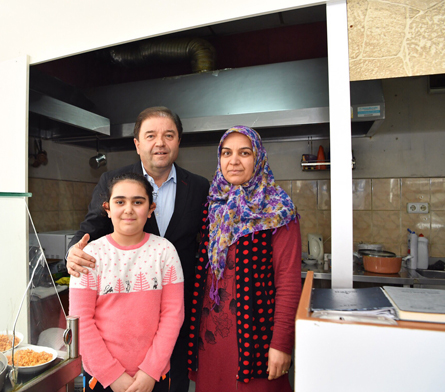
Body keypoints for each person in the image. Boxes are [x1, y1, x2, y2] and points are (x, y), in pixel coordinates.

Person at [67, 107, 210, 392]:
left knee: (174, 383)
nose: (160, 143)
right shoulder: (114, 181)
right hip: (121, 322)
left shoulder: (198, 186)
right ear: (137, 143)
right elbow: (91, 226)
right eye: (151, 135)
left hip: (177, 311)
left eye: (169, 135)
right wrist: (74, 250)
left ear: (178, 141)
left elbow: (206, 242)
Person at [187, 126, 302, 392]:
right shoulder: (211, 207)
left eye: (244, 153)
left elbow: (288, 282)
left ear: (258, 158)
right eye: (226, 153)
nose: (234, 161)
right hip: (210, 338)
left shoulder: (278, 210)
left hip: (256, 338)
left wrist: (282, 344)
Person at [69, 173, 185, 392]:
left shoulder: (165, 251)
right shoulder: (91, 254)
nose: (128, 209)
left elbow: (173, 315)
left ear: (151, 209)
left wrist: (150, 371)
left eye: (138, 202)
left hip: (154, 376)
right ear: (107, 208)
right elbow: (81, 321)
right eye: (120, 202)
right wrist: (112, 375)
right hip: (101, 378)